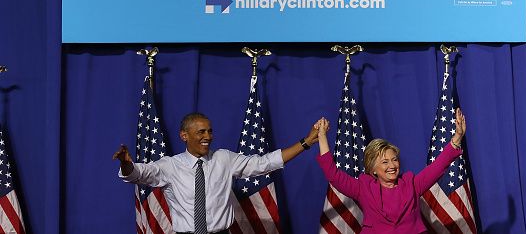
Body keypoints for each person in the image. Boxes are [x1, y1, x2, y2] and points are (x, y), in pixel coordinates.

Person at [113, 112, 320, 234]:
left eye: (210, 131)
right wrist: (126, 164)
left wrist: (306, 142)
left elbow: (264, 163)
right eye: (201, 132)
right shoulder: (170, 166)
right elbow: (138, 173)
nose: (208, 136)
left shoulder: (224, 158)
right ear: (184, 136)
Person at [315, 108, 467, 233]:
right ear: (373, 169)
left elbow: (438, 166)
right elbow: (333, 174)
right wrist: (322, 136)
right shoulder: (363, 188)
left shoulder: (411, 184)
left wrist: (457, 137)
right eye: (385, 162)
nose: (392, 166)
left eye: (394, 159)